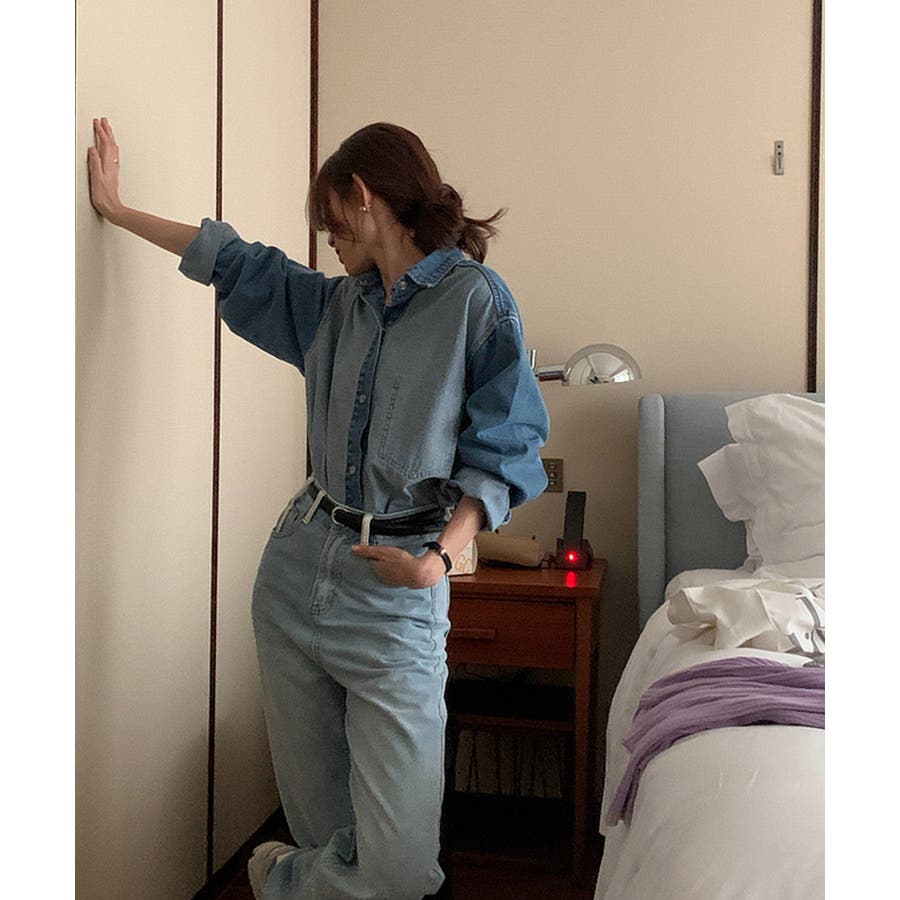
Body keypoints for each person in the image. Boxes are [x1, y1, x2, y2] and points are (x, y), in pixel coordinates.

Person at [87, 117, 550, 900]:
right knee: (329, 835)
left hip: (397, 592)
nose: (328, 239)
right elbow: (233, 261)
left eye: (331, 220)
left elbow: (509, 444)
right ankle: (301, 868)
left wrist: (439, 560)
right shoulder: (336, 306)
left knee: (399, 869)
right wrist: (118, 210)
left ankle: (277, 879)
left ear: (363, 196)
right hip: (297, 570)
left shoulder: (475, 302)